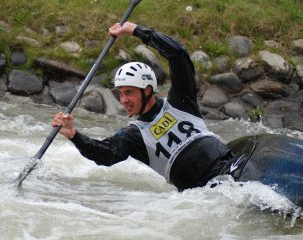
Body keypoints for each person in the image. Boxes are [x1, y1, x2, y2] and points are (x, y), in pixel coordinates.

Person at [51, 21, 238, 191]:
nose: (123, 100)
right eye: (121, 93)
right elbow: (105, 154)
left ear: (147, 90)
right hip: (200, 193)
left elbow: (178, 54)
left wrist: (135, 30)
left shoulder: (180, 102)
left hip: (228, 168)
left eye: (129, 92)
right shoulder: (133, 135)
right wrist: (73, 135)